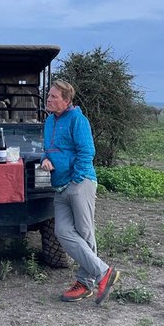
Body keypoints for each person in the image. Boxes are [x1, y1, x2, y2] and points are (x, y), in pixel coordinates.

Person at [41, 79, 120, 305]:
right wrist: (45, 159)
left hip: (79, 183)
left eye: (54, 96)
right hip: (59, 186)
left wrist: (76, 179)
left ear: (66, 101)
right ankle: (103, 272)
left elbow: (87, 152)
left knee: (85, 232)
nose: (49, 99)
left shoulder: (77, 119)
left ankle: (85, 284)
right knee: (63, 231)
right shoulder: (49, 121)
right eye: (49, 95)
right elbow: (48, 149)